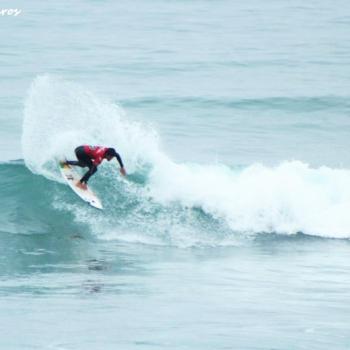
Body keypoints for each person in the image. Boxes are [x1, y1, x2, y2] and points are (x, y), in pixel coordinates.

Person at [62, 145, 126, 190]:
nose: (111, 158)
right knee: (94, 169)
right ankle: (79, 183)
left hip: (80, 148)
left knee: (83, 164)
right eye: (111, 157)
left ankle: (66, 162)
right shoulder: (100, 157)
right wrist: (84, 182)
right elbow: (92, 170)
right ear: (107, 155)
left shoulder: (108, 150)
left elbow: (117, 155)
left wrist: (122, 167)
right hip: (81, 152)